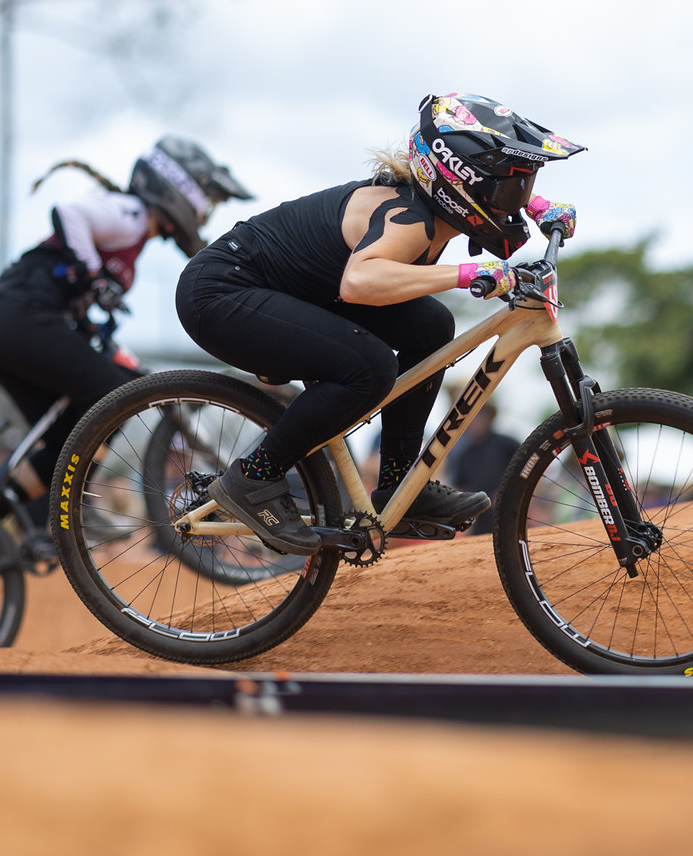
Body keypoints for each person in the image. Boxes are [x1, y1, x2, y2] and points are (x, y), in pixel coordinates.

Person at [177, 93, 582, 554]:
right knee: (368, 367)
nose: (518, 201)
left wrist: (540, 208)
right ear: (462, 182)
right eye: (513, 191)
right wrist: (470, 274)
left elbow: (498, 192)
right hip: (221, 292)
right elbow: (359, 281)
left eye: (524, 188)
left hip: (291, 291)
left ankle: (398, 485)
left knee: (431, 327)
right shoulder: (407, 219)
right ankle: (253, 479)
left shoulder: (437, 207)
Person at [0, 137, 253, 527]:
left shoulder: (134, 240)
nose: (206, 214)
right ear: (181, 189)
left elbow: (76, 306)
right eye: (208, 200)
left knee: (68, 434)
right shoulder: (130, 213)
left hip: (1, 327)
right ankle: (68, 509)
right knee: (109, 396)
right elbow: (69, 214)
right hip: (15, 318)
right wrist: (92, 273)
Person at [445, 403, 519, 536]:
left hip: (511, 517)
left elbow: (528, 468)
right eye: (471, 417)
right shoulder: (464, 455)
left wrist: (512, 493)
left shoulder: (506, 444)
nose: (475, 421)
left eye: (480, 415)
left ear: (489, 417)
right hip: (479, 526)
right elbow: (459, 488)